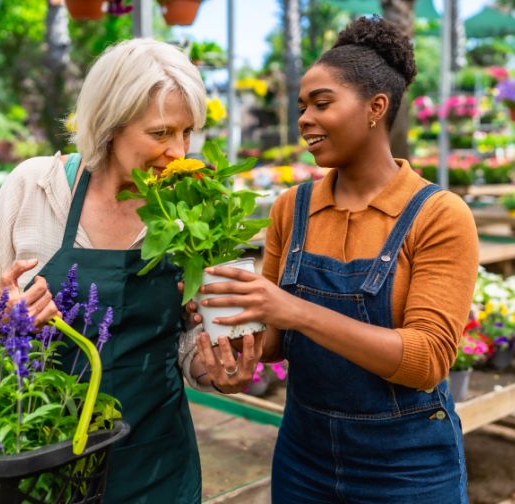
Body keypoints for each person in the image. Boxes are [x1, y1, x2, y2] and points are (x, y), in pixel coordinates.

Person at [0, 38, 260, 503]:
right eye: (160, 134)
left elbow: (182, 339)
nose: (178, 151)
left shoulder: (189, 210)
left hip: (155, 464)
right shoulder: (37, 188)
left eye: (187, 133)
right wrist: (0, 309)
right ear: (109, 126)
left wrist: (215, 366)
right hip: (40, 452)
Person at [197, 17, 479, 502]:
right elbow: (275, 342)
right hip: (303, 456)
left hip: (407, 467)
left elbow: (427, 360)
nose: (304, 118)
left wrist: (297, 311)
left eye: (321, 103)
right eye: (302, 106)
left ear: (376, 107)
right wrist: (234, 346)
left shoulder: (438, 215)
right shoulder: (293, 207)